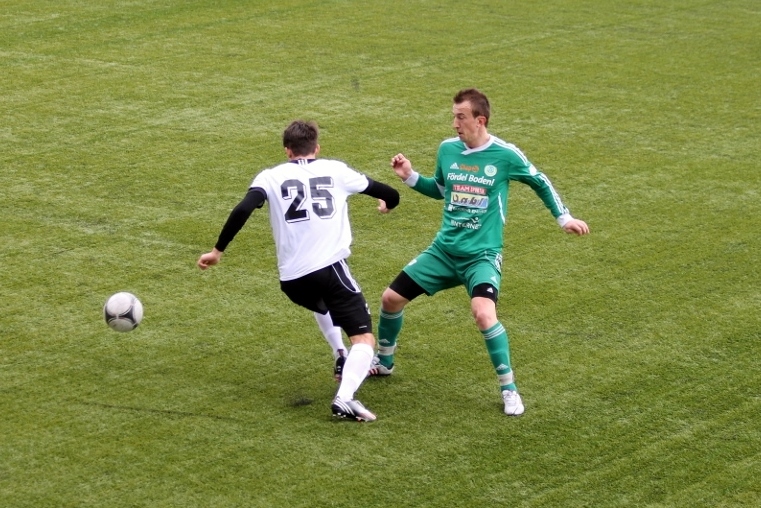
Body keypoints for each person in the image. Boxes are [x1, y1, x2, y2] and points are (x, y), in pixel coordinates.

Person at [372, 88, 590, 416]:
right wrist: (410, 177)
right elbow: (441, 189)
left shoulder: (505, 155)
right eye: (454, 116)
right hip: (443, 252)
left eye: (461, 117)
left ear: (480, 120)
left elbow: (540, 181)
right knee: (390, 299)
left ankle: (509, 389)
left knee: (484, 314)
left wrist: (564, 218)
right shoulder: (447, 149)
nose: (455, 123)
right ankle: (384, 362)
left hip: (481, 257)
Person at [197, 120, 400, 422]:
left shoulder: (269, 176)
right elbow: (391, 194)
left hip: (292, 280)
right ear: (317, 148)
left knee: (324, 304)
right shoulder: (335, 170)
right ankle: (345, 398)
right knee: (365, 340)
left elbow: (243, 209)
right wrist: (387, 204)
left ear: (287, 151)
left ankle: (339, 354)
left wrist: (217, 251)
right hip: (329, 269)